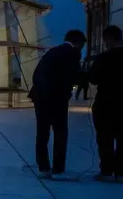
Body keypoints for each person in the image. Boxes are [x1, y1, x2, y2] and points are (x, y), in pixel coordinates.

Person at [88, 25, 123, 182]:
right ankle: (120, 172)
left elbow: (93, 79)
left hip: (105, 104)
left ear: (107, 39)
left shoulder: (103, 58)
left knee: (105, 139)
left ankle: (106, 171)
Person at [28, 29, 86, 176]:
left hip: (40, 96)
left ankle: (43, 168)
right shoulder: (73, 53)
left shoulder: (52, 52)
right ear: (78, 43)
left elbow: (37, 74)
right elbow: (71, 76)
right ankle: (58, 169)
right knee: (60, 133)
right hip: (56, 98)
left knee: (42, 132)